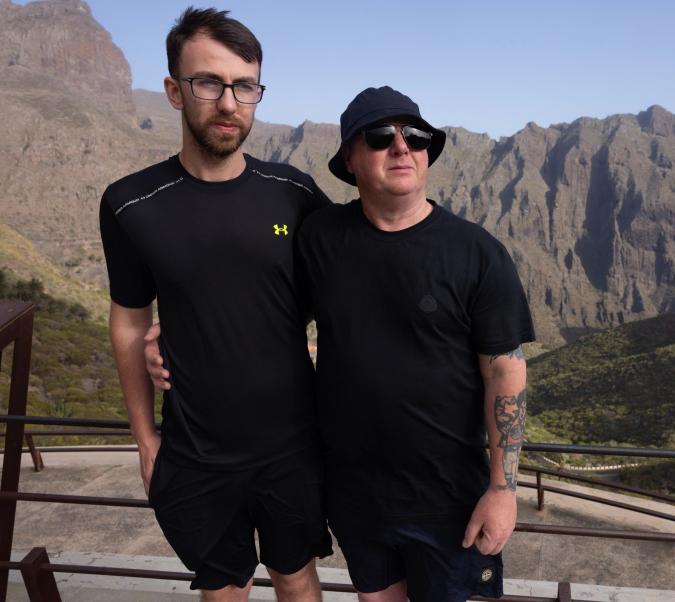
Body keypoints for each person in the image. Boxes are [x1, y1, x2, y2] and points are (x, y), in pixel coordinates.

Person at [99, 8, 331, 601]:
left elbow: (345, 288)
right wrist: (146, 440)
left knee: (297, 577)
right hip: (196, 451)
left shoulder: (296, 195)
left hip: (293, 444)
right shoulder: (131, 205)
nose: (229, 103)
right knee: (223, 588)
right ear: (176, 91)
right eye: (209, 83)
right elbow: (128, 322)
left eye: (244, 85)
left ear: (257, 93)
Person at [297, 86, 534, 602]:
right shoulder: (318, 240)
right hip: (355, 497)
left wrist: (503, 490)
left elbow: (505, 373)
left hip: (450, 500)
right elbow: (266, 310)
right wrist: (170, 337)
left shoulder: (477, 253)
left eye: (416, 136)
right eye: (381, 137)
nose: (401, 147)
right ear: (350, 161)